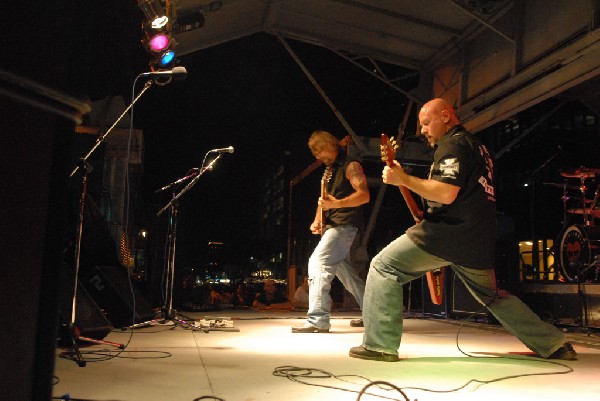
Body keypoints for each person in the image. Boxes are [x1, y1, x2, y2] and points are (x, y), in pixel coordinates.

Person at [349, 98, 576, 361]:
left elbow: (445, 193)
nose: (422, 130)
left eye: (426, 123)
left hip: (449, 233)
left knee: (383, 266)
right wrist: (406, 181)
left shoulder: (453, 143)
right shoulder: (478, 148)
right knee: (492, 297)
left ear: (446, 117)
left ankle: (380, 346)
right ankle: (554, 343)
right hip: (478, 238)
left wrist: (404, 179)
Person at [292, 130, 370, 333]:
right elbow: (324, 200)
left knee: (318, 262)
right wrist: (318, 219)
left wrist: (339, 203)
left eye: (319, 151)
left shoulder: (351, 166)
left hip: (344, 226)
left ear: (329, 146)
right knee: (348, 277)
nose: (317, 157)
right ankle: (373, 314)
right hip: (333, 226)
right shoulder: (330, 170)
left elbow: (364, 195)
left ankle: (318, 319)